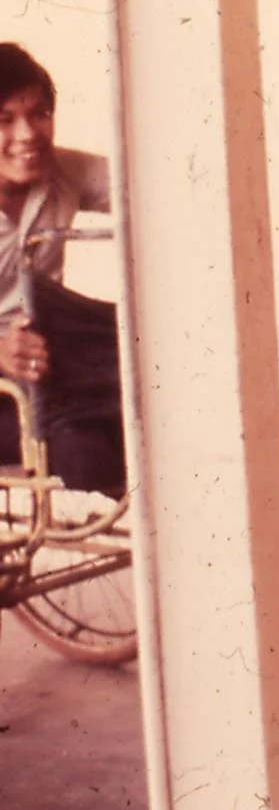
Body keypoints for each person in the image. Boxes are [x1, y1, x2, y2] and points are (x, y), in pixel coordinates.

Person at [0, 42, 124, 499]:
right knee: (88, 456)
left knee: (155, 424)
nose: (27, 134)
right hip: (8, 390)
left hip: (49, 375)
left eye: (40, 114)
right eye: (4, 120)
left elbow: (155, 184)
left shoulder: (64, 171)